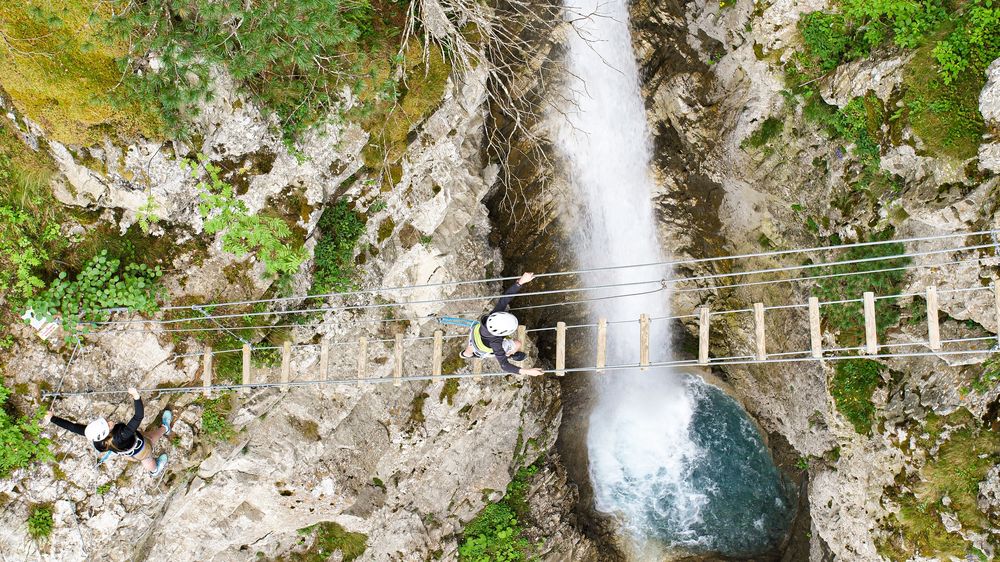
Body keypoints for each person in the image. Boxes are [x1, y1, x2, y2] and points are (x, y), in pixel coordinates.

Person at [44, 387, 172, 477]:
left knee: (147, 437)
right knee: (147, 455)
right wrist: (136, 397)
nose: (109, 421)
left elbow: (72, 427)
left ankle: (164, 429)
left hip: (129, 449)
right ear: (107, 432)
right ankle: (155, 469)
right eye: (108, 424)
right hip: (140, 449)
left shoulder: (96, 437)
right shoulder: (122, 434)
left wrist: (52, 418)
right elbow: (138, 416)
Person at [461, 272, 545, 377]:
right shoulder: (496, 343)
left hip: (476, 335)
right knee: (518, 344)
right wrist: (528, 371)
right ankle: (508, 354)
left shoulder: (492, 317)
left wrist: (520, 282)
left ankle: (466, 353)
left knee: (471, 349)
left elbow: (504, 300)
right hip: (479, 343)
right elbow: (504, 365)